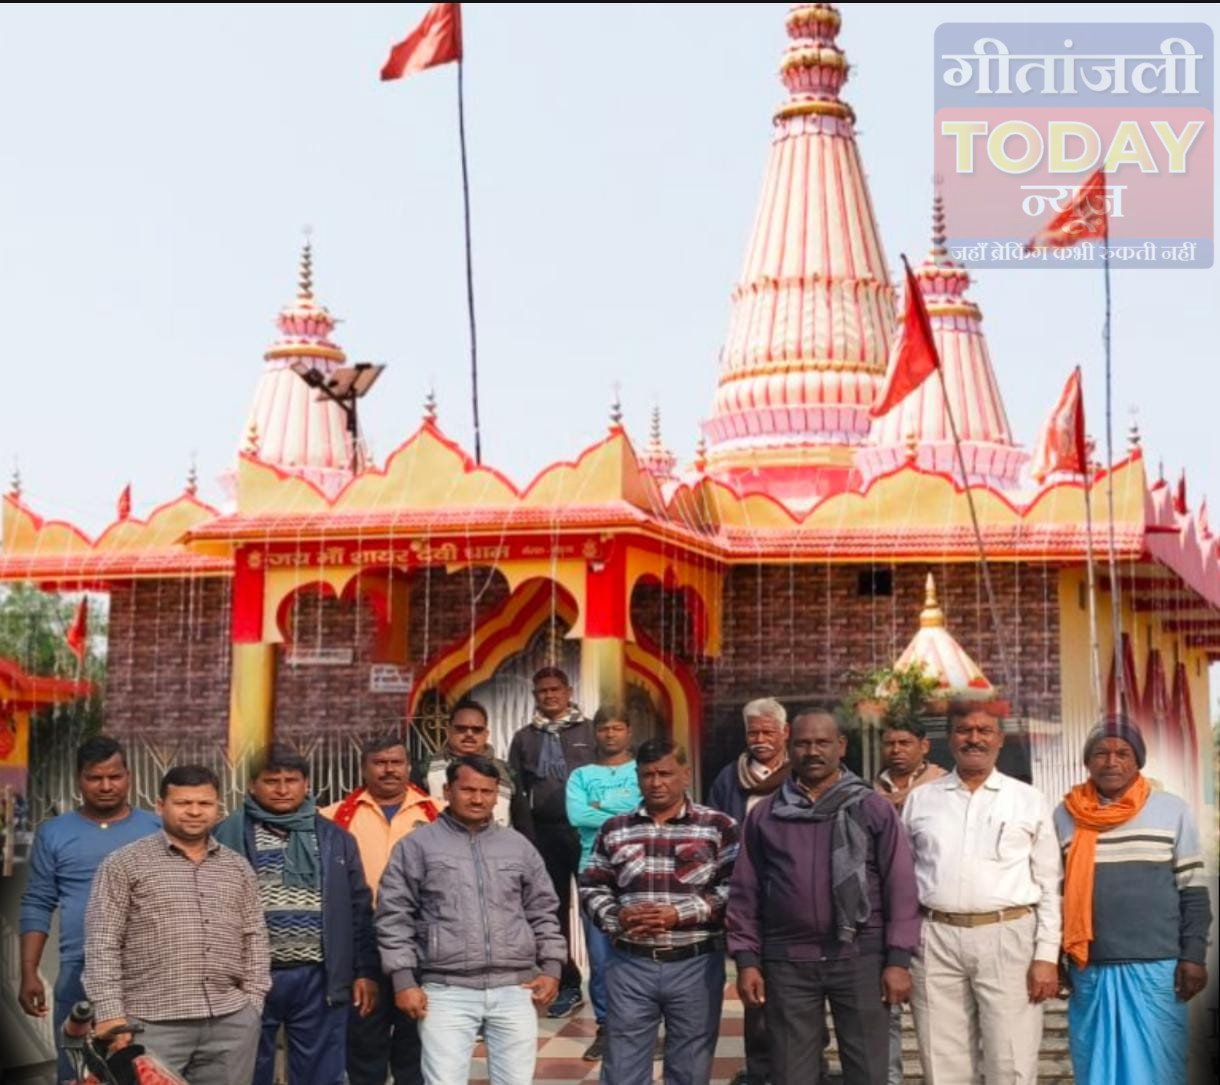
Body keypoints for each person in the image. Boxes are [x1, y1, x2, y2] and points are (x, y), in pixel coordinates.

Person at [727, 709, 920, 1085]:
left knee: (867, 1071)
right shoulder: (765, 814)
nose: (812, 751)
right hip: (788, 962)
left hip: (860, 957)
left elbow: (900, 884)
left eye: (822, 742)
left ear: (841, 746)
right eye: (802, 743)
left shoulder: (871, 807)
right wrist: (747, 959)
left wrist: (898, 959)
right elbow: (745, 891)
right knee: (791, 1073)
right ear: (789, 746)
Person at [376, 755, 566, 1085]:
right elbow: (394, 915)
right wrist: (403, 980)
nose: (478, 799)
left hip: (515, 987)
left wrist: (551, 967)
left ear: (497, 795)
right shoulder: (417, 846)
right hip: (445, 990)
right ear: (448, 790)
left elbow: (543, 910)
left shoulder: (518, 846)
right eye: (468, 790)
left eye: (487, 791)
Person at [902, 702, 1062, 1085]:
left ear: (1000, 739)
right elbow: (903, 879)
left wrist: (1046, 956)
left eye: (984, 730)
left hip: (1009, 936)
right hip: (935, 937)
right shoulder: (921, 800)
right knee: (942, 1063)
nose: (974, 738)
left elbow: (1049, 884)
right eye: (964, 730)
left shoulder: (1028, 799)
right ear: (950, 738)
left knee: (1012, 1059)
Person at [83, 765, 271, 1085]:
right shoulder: (124, 863)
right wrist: (110, 1013)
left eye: (204, 803)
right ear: (160, 806)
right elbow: (102, 941)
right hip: (151, 1023)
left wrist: (252, 1002)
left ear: (218, 807)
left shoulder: (237, 867)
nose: (195, 812)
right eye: (183, 803)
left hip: (230, 1022)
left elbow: (254, 936)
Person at [1053, 715, 1211, 1085]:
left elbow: (1194, 891)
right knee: (1095, 1067)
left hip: (1157, 966)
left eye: (1122, 753)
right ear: (1086, 761)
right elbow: (1055, 892)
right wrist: (1055, 955)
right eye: (1100, 753)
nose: (1111, 761)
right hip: (1089, 965)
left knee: (1160, 1067)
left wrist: (1193, 956)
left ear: (1137, 760)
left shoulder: (1172, 810)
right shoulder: (1066, 814)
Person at [214, 744, 380, 1085]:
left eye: (291, 780)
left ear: (307, 784)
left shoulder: (334, 838)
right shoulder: (227, 835)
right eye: (271, 780)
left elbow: (359, 909)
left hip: (319, 976)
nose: (282, 789)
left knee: (320, 1072)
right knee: (246, 1070)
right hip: (250, 976)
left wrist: (365, 971)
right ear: (251, 785)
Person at [580, 738, 739, 1085]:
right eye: (647, 774)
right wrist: (616, 916)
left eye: (665, 773)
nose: (656, 782)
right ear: (637, 777)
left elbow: (736, 890)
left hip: (695, 964)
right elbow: (591, 885)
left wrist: (679, 914)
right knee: (622, 1068)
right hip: (629, 963)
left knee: (690, 1069)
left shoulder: (718, 826)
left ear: (685, 774)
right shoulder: (615, 828)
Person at [18, 736, 159, 1083]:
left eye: (115, 776)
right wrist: (29, 970)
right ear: (78, 780)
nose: (106, 786)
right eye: (95, 778)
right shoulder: (54, 833)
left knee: (147, 1072)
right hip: (78, 971)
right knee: (78, 1071)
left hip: (149, 972)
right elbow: (38, 900)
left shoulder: (157, 829)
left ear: (129, 776)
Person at [321, 734, 438, 1085]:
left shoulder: (438, 813)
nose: (389, 770)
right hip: (361, 940)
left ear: (408, 766)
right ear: (364, 768)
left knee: (415, 1043)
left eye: (396, 762)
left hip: (421, 940)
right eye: (379, 762)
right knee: (364, 1044)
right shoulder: (332, 818)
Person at [705, 696, 790, 1085]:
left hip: (793, 893)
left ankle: (802, 1068)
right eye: (753, 732)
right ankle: (759, 1070)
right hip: (747, 894)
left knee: (796, 992)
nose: (759, 739)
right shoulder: (728, 778)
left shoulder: (801, 773)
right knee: (753, 986)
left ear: (785, 733)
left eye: (767, 732)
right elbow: (712, 834)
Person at [507, 665, 595, 1016]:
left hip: (586, 835)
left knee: (595, 908)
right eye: (542, 691)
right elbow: (516, 791)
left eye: (556, 690)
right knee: (551, 911)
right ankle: (567, 982)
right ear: (535, 696)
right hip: (543, 834)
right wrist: (526, 838)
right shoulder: (524, 737)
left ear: (568, 691)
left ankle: (608, 983)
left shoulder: (589, 732)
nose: (550, 696)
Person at [564, 703, 642, 1062]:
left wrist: (602, 807)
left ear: (629, 731)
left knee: (642, 950)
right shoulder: (580, 776)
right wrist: (620, 808)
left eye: (617, 728)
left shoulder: (642, 771)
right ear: (595, 733)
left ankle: (640, 1029)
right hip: (592, 870)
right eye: (604, 728)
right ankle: (606, 1028)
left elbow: (642, 813)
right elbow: (578, 815)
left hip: (638, 871)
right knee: (600, 956)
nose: (610, 734)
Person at [871, 716, 945, 1085]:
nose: (896, 750)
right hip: (885, 915)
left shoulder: (946, 787)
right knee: (886, 1011)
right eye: (890, 744)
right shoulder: (868, 791)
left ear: (924, 746)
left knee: (943, 1018)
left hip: (937, 916)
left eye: (905, 743)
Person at [422, 700, 517, 828]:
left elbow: (522, 819)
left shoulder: (506, 771)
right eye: (461, 728)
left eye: (477, 730)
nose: (469, 734)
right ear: (448, 731)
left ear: (486, 734)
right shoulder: (426, 768)